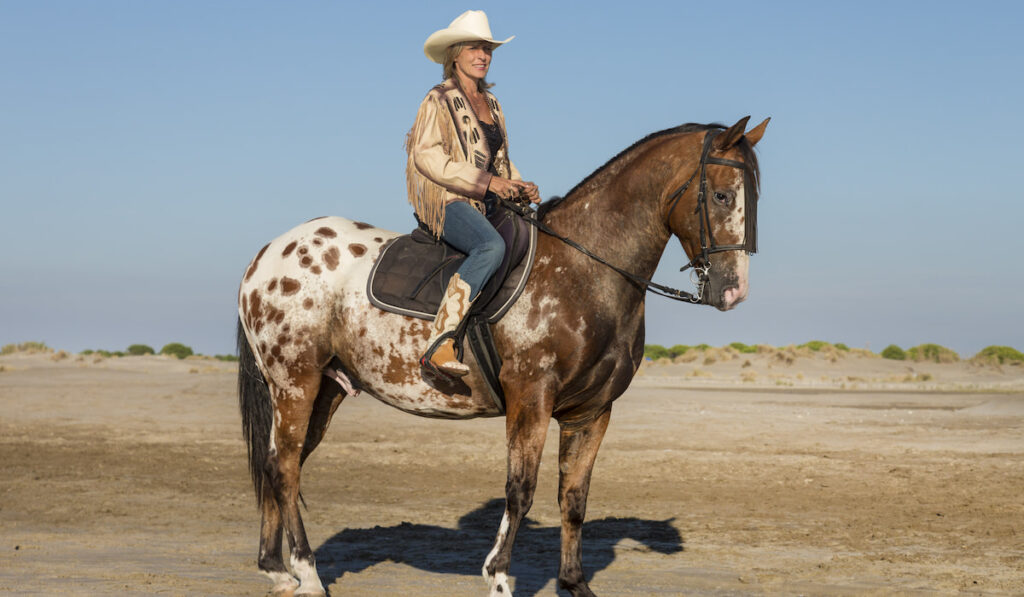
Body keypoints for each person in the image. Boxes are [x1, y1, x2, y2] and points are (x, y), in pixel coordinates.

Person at [406, 10, 541, 377]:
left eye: (488, 49)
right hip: (446, 200)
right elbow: (426, 155)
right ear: (455, 55)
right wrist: (487, 184)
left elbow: (499, 161)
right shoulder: (438, 98)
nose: (482, 56)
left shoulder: (492, 104)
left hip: (485, 200)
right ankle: (441, 340)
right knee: (491, 246)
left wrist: (519, 183)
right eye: (474, 48)